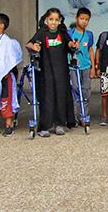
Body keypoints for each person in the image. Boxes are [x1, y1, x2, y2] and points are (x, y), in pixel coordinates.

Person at [27, 8, 76, 137]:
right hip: (46, 71)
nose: (53, 22)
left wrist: (73, 45)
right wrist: (34, 47)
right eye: (51, 19)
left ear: (60, 21)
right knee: (47, 97)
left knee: (61, 96)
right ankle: (45, 126)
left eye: (56, 20)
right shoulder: (42, 32)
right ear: (46, 20)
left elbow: (69, 43)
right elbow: (29, 44)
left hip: (61, 71)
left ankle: (59, 124)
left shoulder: (62, 33)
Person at [68, 8, 95, 127]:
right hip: (73, 67)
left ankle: (84, 116)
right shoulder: (70, 33)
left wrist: (93, 67)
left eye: (86, 20)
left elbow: (90, 50)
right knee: (75, 90)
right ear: (76, 18)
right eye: (82, 19)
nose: (84, 22)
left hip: (86, 66)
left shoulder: (89, 34)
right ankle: (74, 116)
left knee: (86, 91)